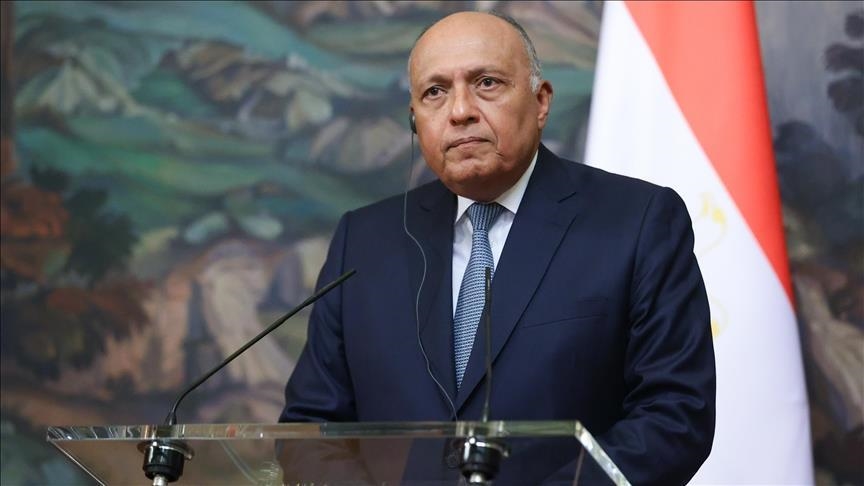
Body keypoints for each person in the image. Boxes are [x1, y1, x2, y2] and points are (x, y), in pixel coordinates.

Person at [280, 11, 715, 485]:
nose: (459, 111)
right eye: (435, 92)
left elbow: (674, 414)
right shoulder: (363, 241)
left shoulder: (637, 221)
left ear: (541, 101)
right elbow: (311, 427)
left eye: (486, 83)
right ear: (414, 119)